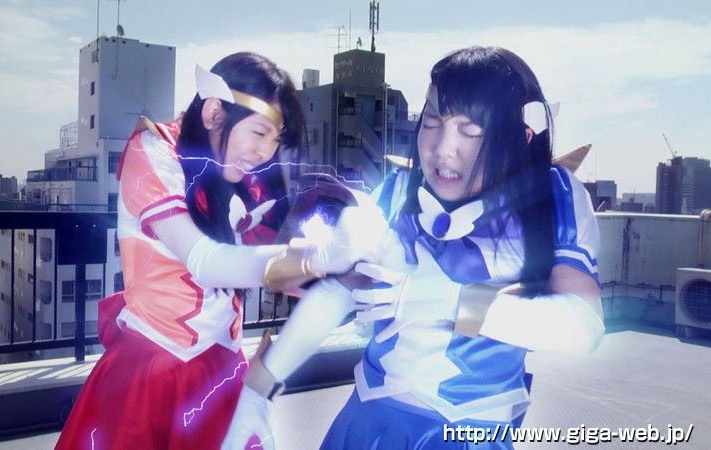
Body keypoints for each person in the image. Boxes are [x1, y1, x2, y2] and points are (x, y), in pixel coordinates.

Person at [222, 46, 605, 450]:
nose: (442, 148)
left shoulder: (554, 197)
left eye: (470, 130)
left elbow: (584, 327)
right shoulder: (399, 191)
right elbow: (341, 292)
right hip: (365, 422)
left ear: (521, 138)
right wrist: (256, 391)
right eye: (433, 121)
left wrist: (452, 301)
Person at [55, 52, 384, 450]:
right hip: (151, 369)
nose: (265, 152)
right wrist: (318, 256)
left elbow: (268, 264)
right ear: (214, 112)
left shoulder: (240, 176)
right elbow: (206, 262)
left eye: (275, 141)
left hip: (223, 369)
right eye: (259, 133)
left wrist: (355, 272)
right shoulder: (153, 150)